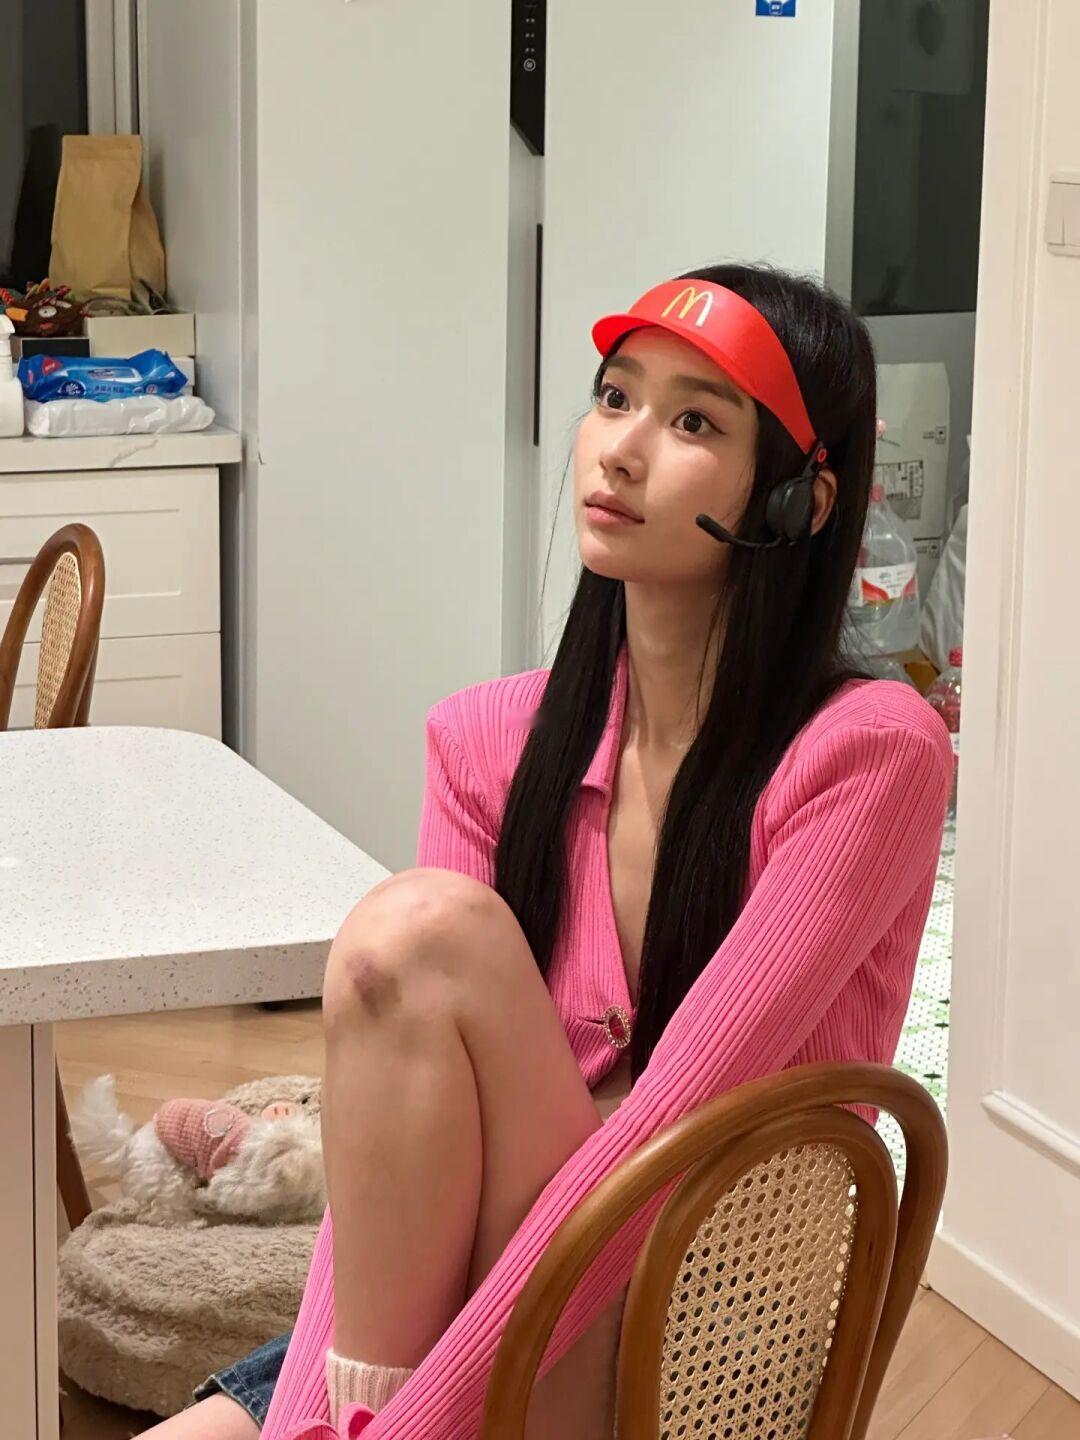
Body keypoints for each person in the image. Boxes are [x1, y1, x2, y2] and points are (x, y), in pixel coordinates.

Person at [147, 265, 952, 1440]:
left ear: (801, 500)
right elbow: (378, 1194)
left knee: (424, 931)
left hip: (690, 1328)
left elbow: (664, 1138)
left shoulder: (869, 755)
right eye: (615, 398)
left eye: (693, 423)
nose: (620, 449)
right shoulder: (486, 738)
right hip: (477, 1298)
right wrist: (322, 1414)